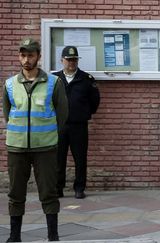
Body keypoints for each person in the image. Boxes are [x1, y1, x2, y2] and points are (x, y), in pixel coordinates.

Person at [3, 37, 68, 242]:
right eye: (23, 55)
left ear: (38, 57)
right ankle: (14, 236)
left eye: (30, 55)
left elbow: (62, 113)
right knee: (15, 193)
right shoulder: (10, 84)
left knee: (49, 191)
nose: (26, 59)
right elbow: (8, 114)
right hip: (16, 147)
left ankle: (53, 235)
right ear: (19, 57)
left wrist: (46, 134)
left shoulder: (53, 82)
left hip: (45, 147)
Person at [54, 46, 100, 199]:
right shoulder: (54, 79)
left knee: (80, 158)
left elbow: (95, 101)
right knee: (58, 158)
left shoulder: (86, 79)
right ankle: (58, 188)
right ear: (62, 60)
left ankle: (79, 188)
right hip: (59, 125)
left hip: (79, 125)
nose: (71, 62)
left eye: (74, 59)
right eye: (68, 59)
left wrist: (84, 114)